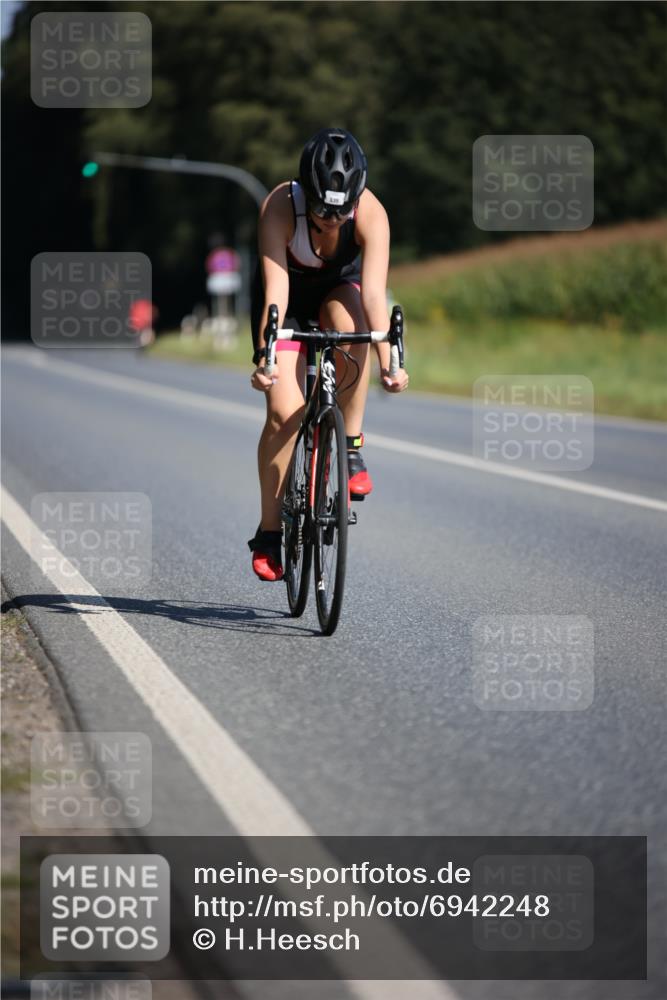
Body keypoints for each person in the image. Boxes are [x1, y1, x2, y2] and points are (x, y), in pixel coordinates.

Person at [248, 127, 409, 581]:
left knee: (354, 328)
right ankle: (269, 532)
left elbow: (377, 298)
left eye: (340, 216)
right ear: (306, 195)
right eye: (321, 215)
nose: (332, 224)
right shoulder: (280, 206)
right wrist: (267, 359)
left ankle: (351, 445)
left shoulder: (372, 213)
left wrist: (389, 364)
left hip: (341, 293)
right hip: (289, 304)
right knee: (285, 413)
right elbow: (276, 292)